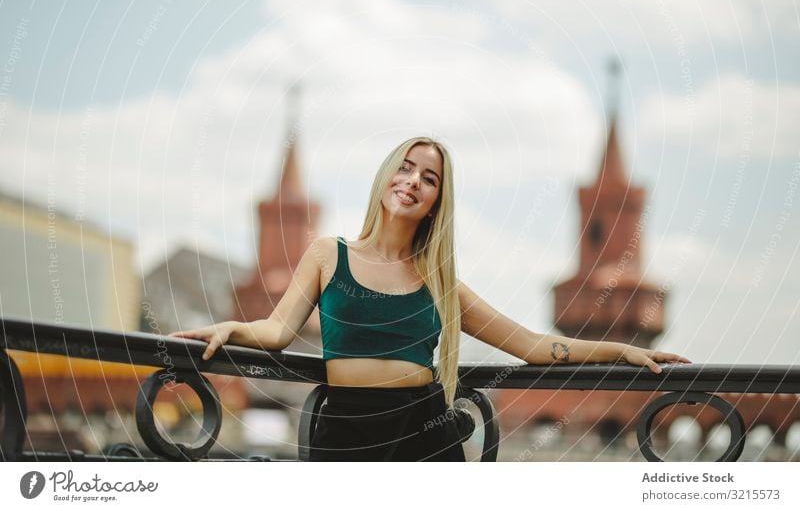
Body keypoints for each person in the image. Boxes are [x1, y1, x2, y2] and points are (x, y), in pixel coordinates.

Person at [170, 136, 690, 461]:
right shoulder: (328, 255)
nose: (413, 180)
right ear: (384, 179)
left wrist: (620, 352)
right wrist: (228, 330)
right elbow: (278, 332)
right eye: (405, 167)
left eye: (430, 177)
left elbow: (531, 345)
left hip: (425, 428)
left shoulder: (440, 282)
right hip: (345, 428)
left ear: (437, 200)